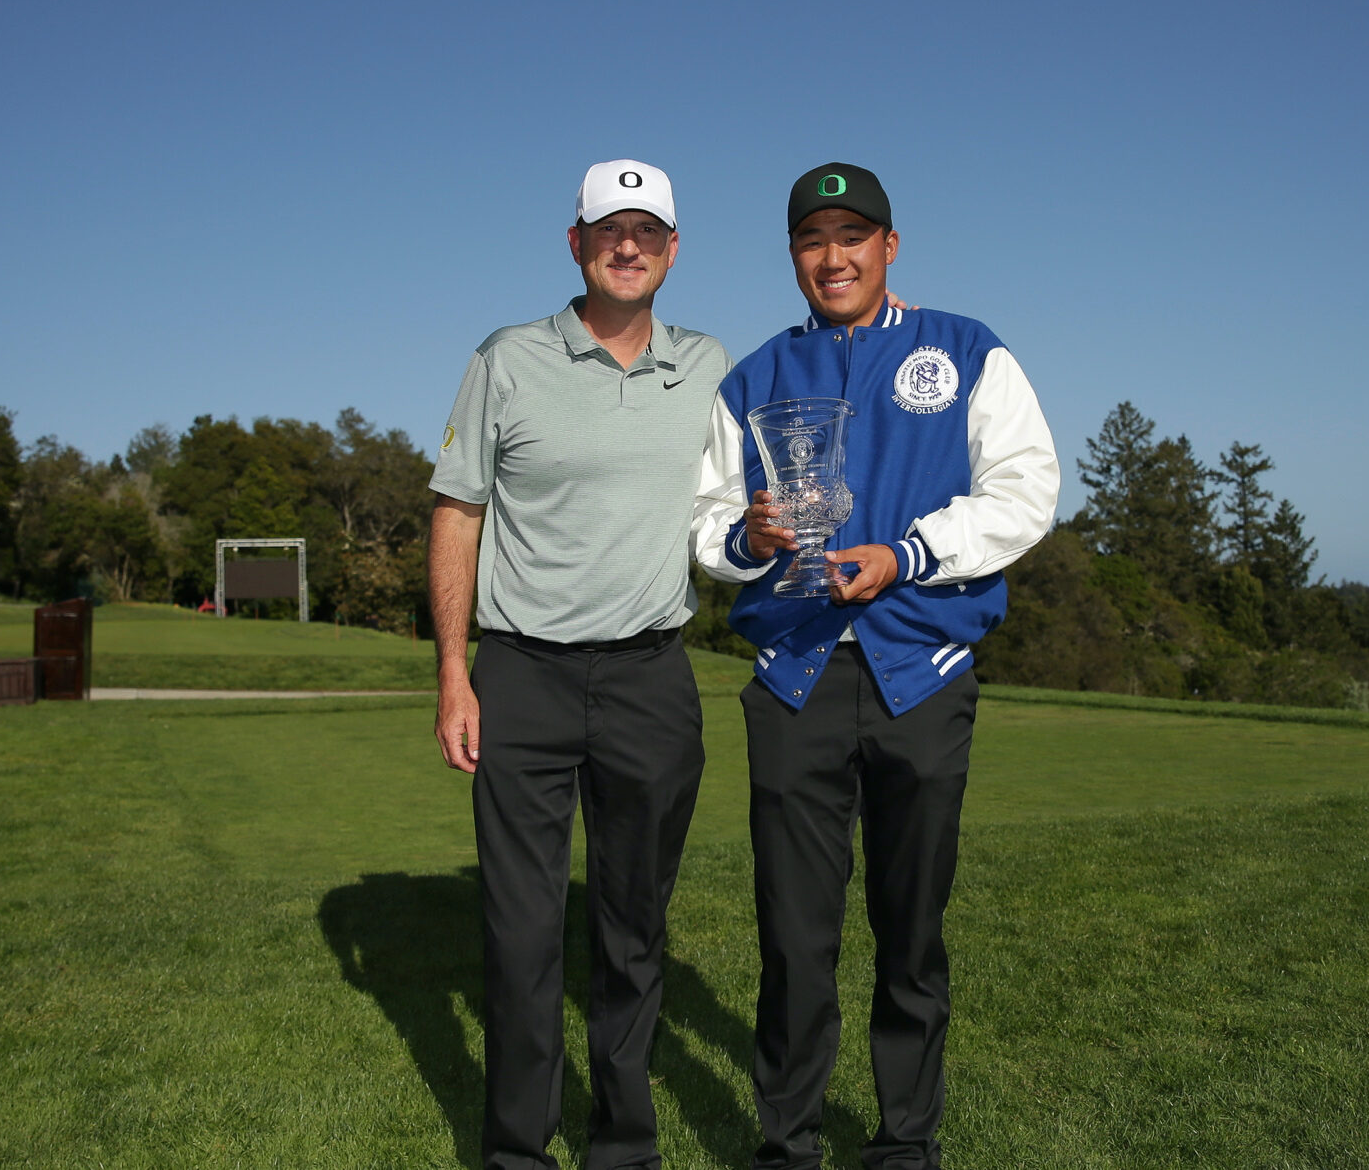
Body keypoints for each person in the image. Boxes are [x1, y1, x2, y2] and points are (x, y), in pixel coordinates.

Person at [691, 162, 1059, 1169]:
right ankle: (788, 1146)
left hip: (922, 673)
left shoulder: (966, 351)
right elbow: (704, 525)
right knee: (795, 941)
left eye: (854, 236)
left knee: (911, 933)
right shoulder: (756, 377)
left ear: (891, 247)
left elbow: (1028, 489)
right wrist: (751, 538)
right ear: (794, 257)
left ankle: (906, 1144)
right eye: (813, 240)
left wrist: (910, 554)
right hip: (795, 680)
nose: (834, 256)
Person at [427, 159, 730, 1170]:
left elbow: (734, 512)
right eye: (610, 228)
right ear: (577, 242)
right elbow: (457, 512)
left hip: (651, 678)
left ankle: (624, 1148)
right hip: (524, 675)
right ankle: (518, 1151)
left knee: (633, 929)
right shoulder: (508, 357)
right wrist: (454, 674)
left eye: (648, 229)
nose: (629, 244)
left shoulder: (708, 365)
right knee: (520, 941)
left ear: (674, 248)